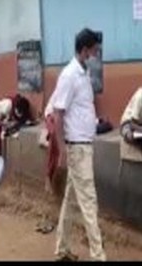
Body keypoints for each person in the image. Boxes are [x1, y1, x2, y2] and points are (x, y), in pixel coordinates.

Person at [53, 28, 106, 262]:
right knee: (89, 201)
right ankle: (98, 255)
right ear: (84, 50)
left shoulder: (83, 73)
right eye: (94, 49)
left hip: (84, 145)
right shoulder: (69, 75)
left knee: (71, 201)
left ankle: (61, 250)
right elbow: (57, 113)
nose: (96, 53)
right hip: (77, 148)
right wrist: (62, 150)